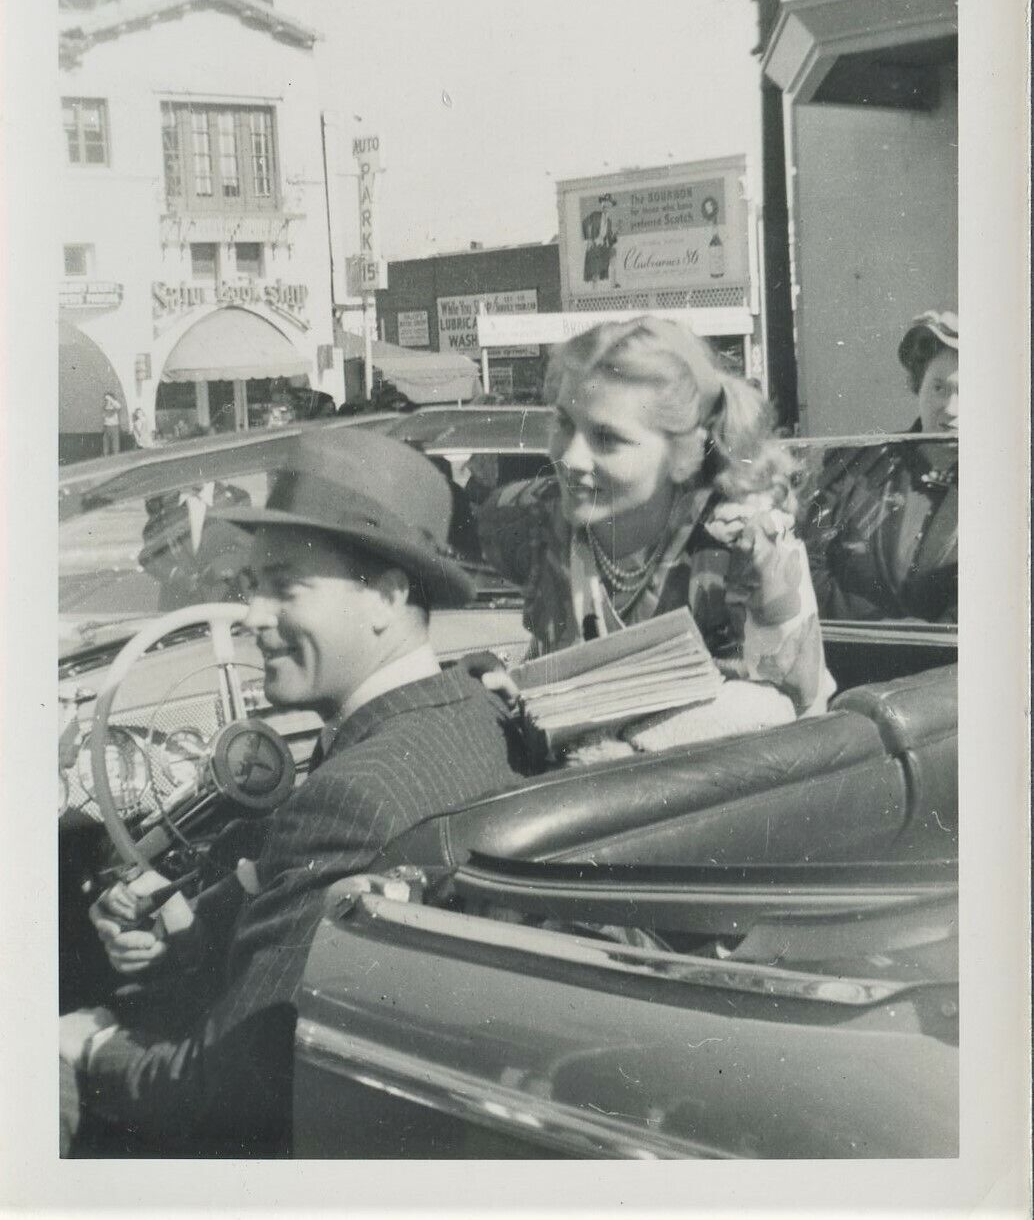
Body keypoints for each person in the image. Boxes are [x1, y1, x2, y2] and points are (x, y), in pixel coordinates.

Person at [60, 429, 533, 1157]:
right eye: (253, 586)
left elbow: (225, 1095)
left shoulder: (349, 797)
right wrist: (192, 936)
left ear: (387, 594)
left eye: (287, 585)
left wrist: (90, 1046)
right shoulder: (470, 716)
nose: (251, 616)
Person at [477, 316, 832, 757]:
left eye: (606, 438)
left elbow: (790, 710)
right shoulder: (543, 521)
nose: (570, 457)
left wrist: (632, 747)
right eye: (565, 423)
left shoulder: (747, 543)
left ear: (682, 456)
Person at [800, 309, 958, 624]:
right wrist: (878, 630)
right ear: (918, 386)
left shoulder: (1007, 491)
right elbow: (806, 560)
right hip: (857, 659)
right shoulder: (860, 464)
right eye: (938, 387)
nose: (951, 408)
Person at [101, 390, 122, 457]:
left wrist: (111, 400)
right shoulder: (105, 406)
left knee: (115, 442)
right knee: (105, 443)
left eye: (107, 399)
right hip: (106, 426)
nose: (106, 400)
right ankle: (105, 455)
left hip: (114, 426)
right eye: (105, 399)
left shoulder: (115, 405)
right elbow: (104, 416)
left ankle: (116, 456)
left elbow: (118, 406)